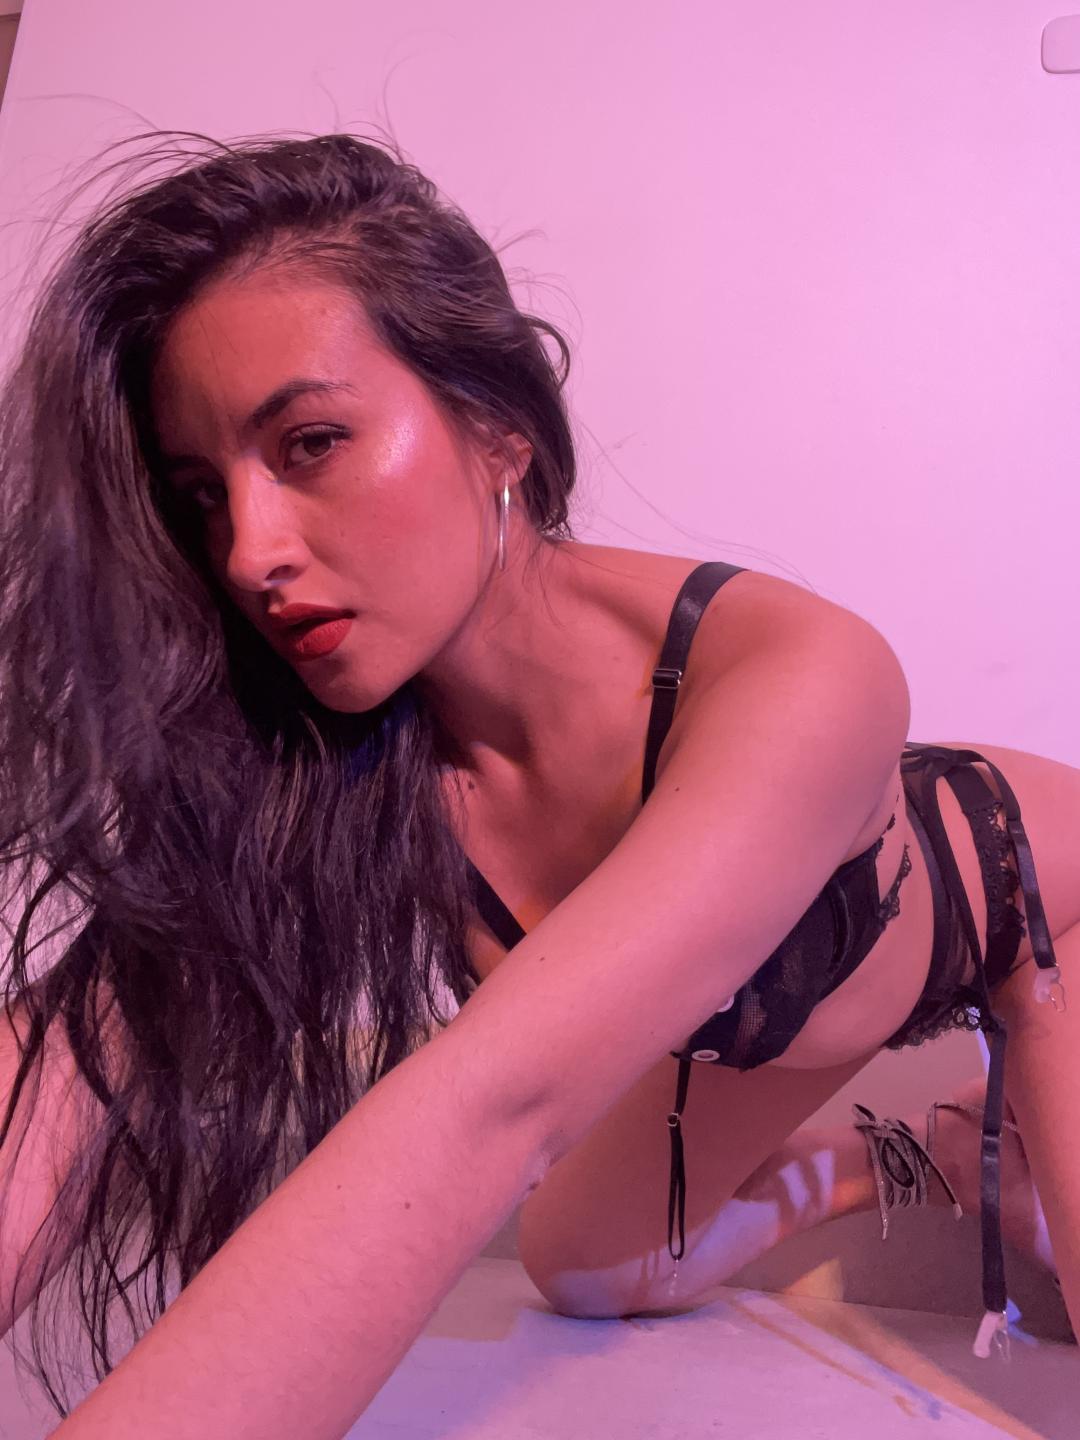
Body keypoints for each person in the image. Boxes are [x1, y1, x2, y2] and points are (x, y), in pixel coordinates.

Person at [0, 130, 1074, 1433]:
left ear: (498, 426)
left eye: (311, 442)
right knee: (585, 1271)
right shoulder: (339, 756)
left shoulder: (806, 674)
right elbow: (77, 1046)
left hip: (1039, 914)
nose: (247, 552)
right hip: (781, 1022)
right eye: (200, 494)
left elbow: (488, 1108)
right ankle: (939, 1154)